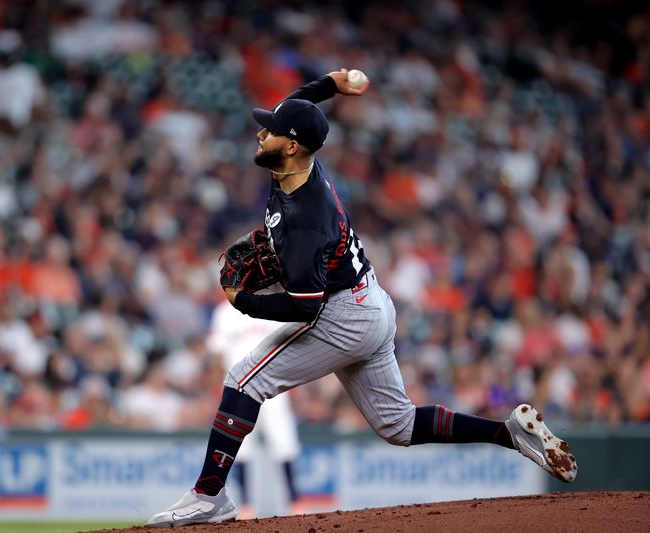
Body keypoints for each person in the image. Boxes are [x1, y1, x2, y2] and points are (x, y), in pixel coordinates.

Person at [148, 69, 577, 527]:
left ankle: (208, 495)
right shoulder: (294, 163)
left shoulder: (307, 217)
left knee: (243, 380)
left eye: (269, 131)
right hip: (368, 300)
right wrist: (329, 85)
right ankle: (507, 433)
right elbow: (296, 107)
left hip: (341, 314)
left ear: (290, 146)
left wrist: (241, 300)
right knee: (399, 426)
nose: (260, 133)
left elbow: (304, 308)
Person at [206, 300, 304, 518]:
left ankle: (295, 502)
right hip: (239, 389)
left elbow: (291, 349)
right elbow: (217, 353)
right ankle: (247, 506)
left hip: (274, 389)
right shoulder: (224, 312)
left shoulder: (274, 304)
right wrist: (218, 393)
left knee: (284, 443)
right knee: (240, 449)